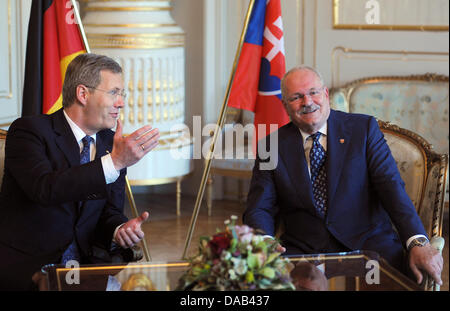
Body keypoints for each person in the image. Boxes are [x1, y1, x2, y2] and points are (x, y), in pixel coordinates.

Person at [243, 66, 443, 286]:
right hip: (303, 252)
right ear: (285, 105)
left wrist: (417, 241)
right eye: (296, 97)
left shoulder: (363, 129)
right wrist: (265, 241)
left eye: (313, 92)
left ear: (326, 94)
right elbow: (259, 206)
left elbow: (391, 187)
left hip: (369, 246)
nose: (307, 102)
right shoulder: (271, 145)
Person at [0, 53, 160, 290]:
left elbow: (109, 211)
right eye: (114, 92)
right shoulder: (29, 131)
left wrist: (119, 230)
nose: (121, 103)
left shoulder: (109, 142)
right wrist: (115, 163)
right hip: (31, 269)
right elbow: (45, 189)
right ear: (83, 94)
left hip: (88, 268)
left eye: (122, 94)